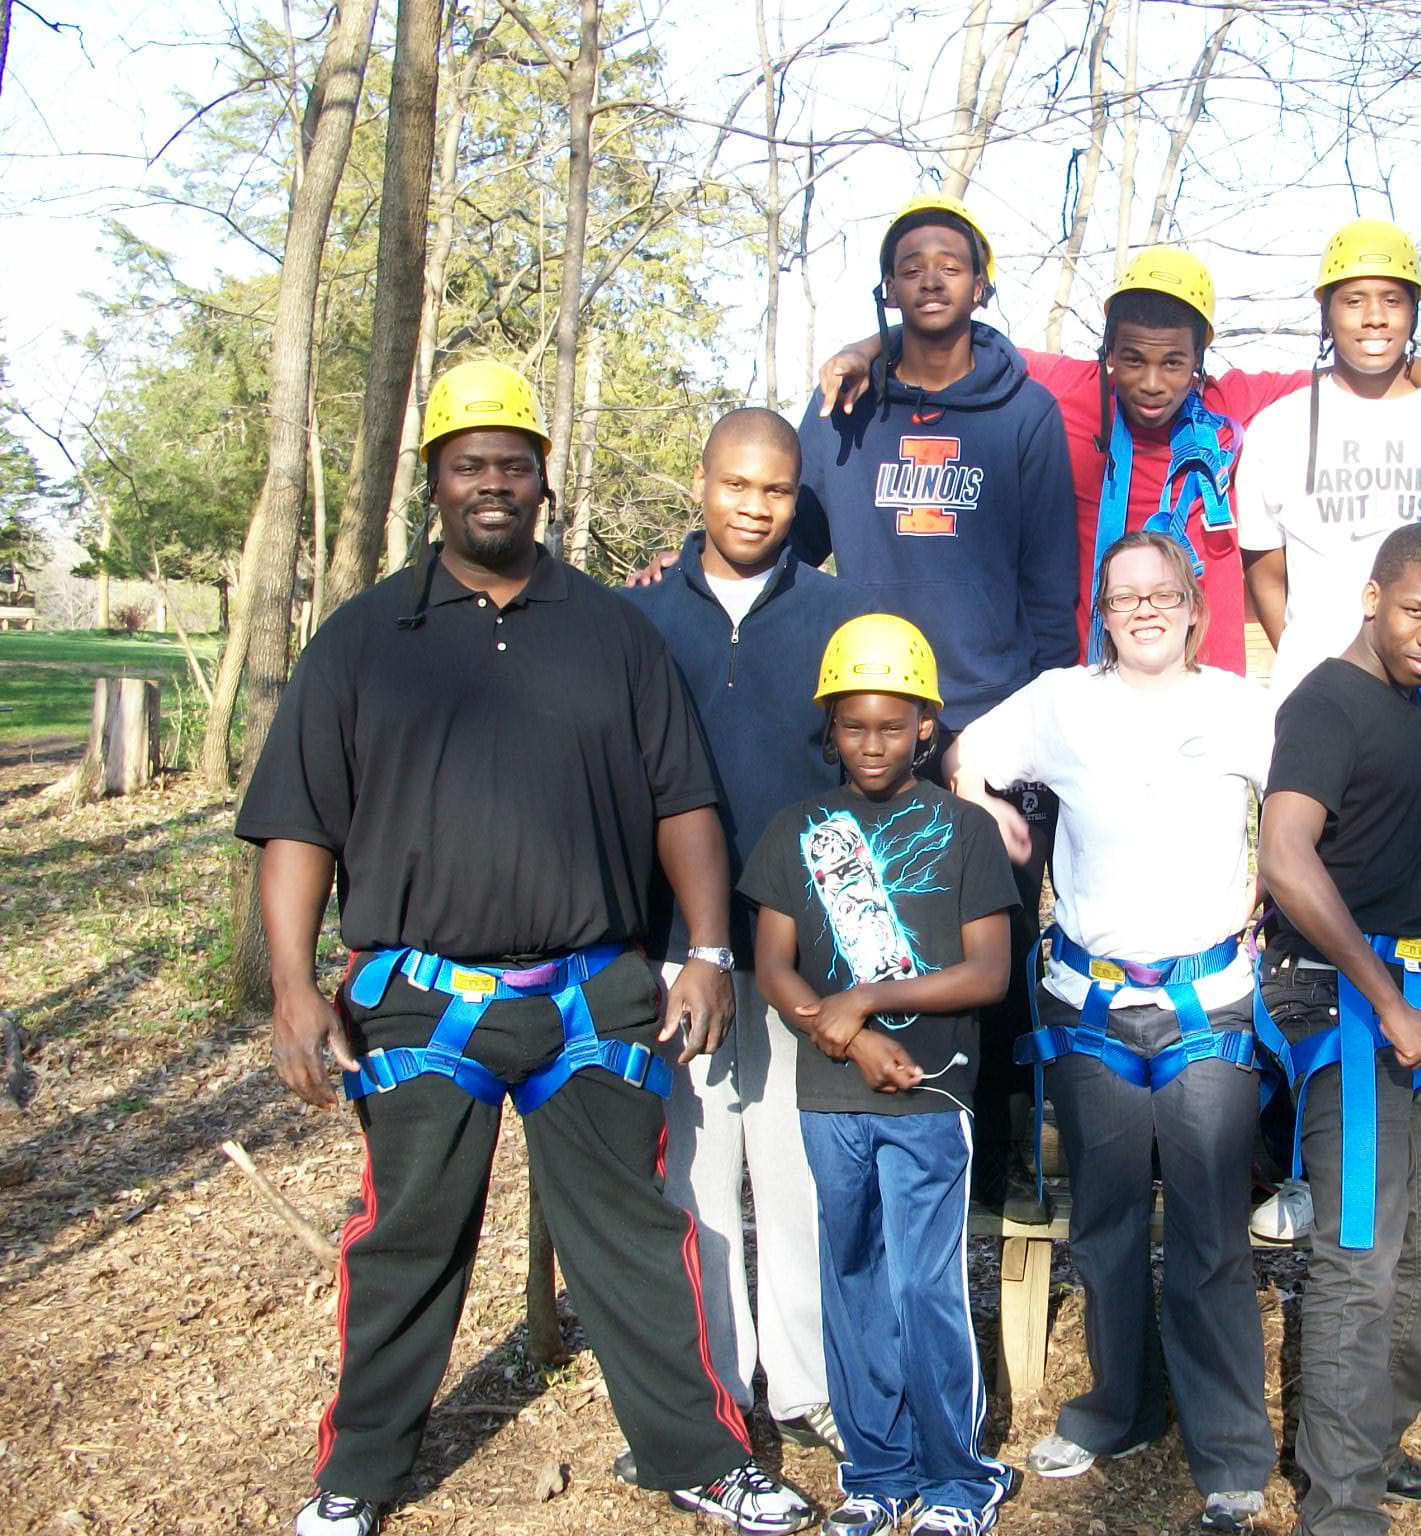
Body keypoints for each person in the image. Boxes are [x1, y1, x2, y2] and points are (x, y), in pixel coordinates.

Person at [238, 361, 815, 1536]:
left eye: (512, 463)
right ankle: (357, 1475)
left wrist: (707, 950)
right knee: (406, 1239)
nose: (491, 483)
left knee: (636, 1237)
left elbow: (683, 803)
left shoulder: (611, 631)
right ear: (434, 482)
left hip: (588, 990)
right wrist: (294, 987)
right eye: (469, 465)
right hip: (418, 995)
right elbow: (298, 826)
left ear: (544, 480)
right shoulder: (365, 640)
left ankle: (700, 1456)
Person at [953, 531, 1277, 1534]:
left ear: (1195, 609)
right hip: (1089, 1006)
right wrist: (987, 808)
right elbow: (964, 753)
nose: (1143, 610)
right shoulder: (1061, 702)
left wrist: (1273, 886)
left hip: (1206, 1004)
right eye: (1123, 596)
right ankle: (1118, 1410)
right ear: (1101, 612)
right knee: (1104, 1223)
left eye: (1162, 594)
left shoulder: (1238, 708)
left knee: (1210, 1233)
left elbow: (1307, 799)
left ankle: (1230, 1452)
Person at [813, 244, 1421, 674]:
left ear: (1201, 361)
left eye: (1174, 364)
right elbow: (952, 339)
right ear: (1107, 353)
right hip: (1095, 669)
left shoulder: (1233, 405)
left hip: (1205, 678)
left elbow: (1355, 368)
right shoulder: (1071, 391)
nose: (1149, 383)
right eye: (1132, 360)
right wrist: (866, 349)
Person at [794, 192, 1077, 1213]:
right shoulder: (844, 406)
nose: (928, 276)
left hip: (989, 719)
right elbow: (786, 537)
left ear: (981, 286)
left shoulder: (1024, 414)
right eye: (909, 262)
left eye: (949, 262)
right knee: (865, 927)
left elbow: (1050, 584)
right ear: (886, 286)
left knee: (989, 944)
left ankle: (995, 1155)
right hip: (867, 714)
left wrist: (1034, 730)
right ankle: (868, 1138)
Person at [617, 407, 869, 1478]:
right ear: (700, 484)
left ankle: (807, 1385)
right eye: (736, 485)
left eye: (775, 491)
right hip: (676, 949)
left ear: (796, 498)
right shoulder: (635, 619)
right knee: (696, 1179)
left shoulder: (839, 615)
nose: (755, 508)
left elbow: (869, 775)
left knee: (799, 1173)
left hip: (796, 947)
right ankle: (716, 1388)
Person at [1233, 218, 1421, 1242]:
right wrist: (1324, 670)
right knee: (1301, 919)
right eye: (1354, 300)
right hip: (1332, 703)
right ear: (1325, 312)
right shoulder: (1278, 427)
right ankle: (1300, 1161)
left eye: (1393, 301)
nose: (1373, 317)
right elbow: (1264, 569)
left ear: (1415, 314)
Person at [741, 613, 1020, 1536]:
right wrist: (852, 1035)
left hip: (931, 1095)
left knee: (923, 1286)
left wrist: (868, 997)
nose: (872, 744)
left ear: (926, 727)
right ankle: (877, 1470)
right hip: (830, 1099)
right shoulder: (796, 829)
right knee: (851, 1274)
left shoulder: (965, 830)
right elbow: (773, 966)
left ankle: (959, 1478)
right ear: (830, 727)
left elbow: (988, 972)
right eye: (854, 726)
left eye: (893, 727)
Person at [1256, 523, 1421, 1533]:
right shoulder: (1323, 703)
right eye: (1416, 611)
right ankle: (1339, 1502)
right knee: (1360, 1249)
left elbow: (1389, 850)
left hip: (1419, 997)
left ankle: (1372, 1442)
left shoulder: (1408, 707)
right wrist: (1388, 1000)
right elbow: (1286, 857)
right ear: (1371, 598)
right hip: (1345, 1005)